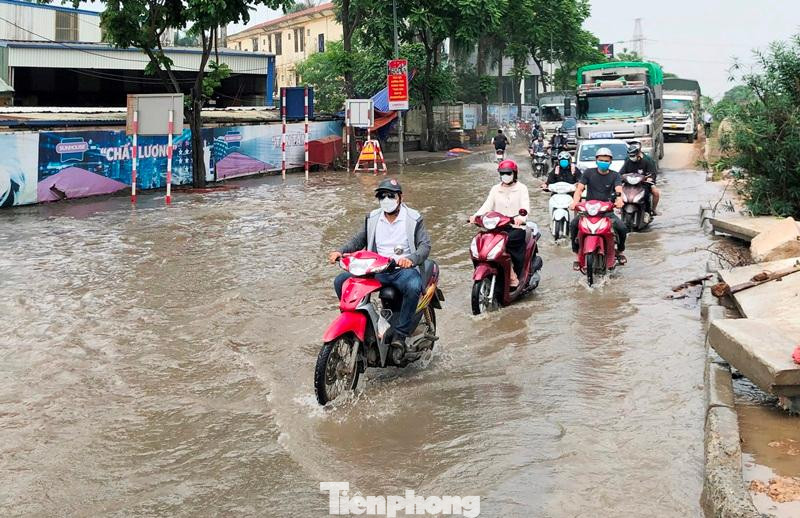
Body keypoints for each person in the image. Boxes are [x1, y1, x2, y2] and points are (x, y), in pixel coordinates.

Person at [328, 179, 431, 350]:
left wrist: (411, 259)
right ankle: (364, 327)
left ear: (400, 197)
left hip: (401, 269)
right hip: (376, 269)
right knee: (341, 281)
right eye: (382, 196)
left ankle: (401, 333)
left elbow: (424, 246)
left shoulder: (413, 218)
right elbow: (358, 240)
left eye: (391, 195)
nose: (386, 199)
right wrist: (340, 252)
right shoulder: (373, 218)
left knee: (413, 286)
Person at [469, 159, 531, 289]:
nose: (505, 175)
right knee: (482, 244)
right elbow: (487, 205)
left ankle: (513, 276)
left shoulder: (522, 188)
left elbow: (525, 206)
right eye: (503, 173)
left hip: (516, 227)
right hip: (496, 227)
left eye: (508, 173)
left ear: (514, 173)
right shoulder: (495, 189)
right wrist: (475, 216)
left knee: (507, 243)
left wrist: (521, 218)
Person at [569, 147, 628, 268]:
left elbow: (618, 190)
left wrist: (619, 200)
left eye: (606, 161)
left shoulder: (615, 175)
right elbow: (579, 189)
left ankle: (620, 251)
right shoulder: (588, 173)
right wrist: (575, 202)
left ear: (610, 162)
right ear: (596, 160)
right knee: (574, 225)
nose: (604, 163)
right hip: (588, 211)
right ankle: (576, 253)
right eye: (601, 160)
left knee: (621, 227)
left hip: (606, 212)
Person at [619, 141, 660, 215]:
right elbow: (621, 172)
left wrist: (650, 178)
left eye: (633, 155)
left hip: (644, 183)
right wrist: (621, 178)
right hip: (629, 183)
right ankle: (621, 208)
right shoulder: (627, 161)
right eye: (630, 155)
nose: (632, 157)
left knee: (655, 192)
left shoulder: (647, 160)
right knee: (618, 191)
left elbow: (653, 173)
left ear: (638, 153)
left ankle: (652, 210)